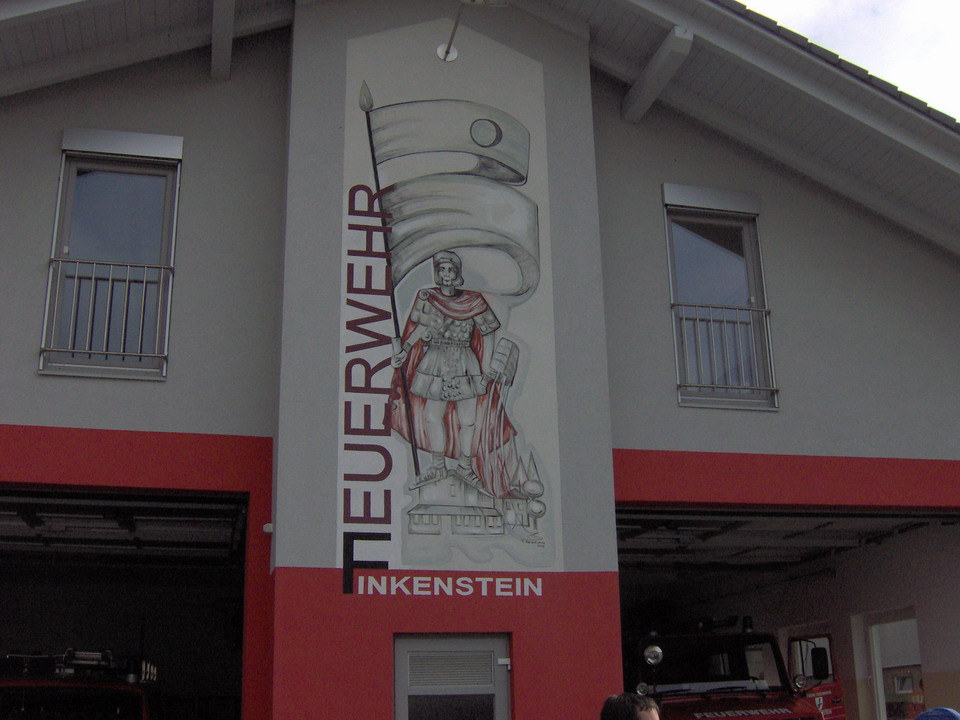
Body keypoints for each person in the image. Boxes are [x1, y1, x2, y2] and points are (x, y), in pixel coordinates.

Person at [390, 250, 501, 486]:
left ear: (457, 273)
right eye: (441, 269)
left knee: (468, 419)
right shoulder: (428, 297)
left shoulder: (473, 300)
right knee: (432, 416)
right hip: (436, 360)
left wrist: (487, 366)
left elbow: (488, 332)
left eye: (451, 270)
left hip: (465, 360)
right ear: (436, 273)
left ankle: (465, 467)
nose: (446, 274)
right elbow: (422, 328)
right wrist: (405, 350)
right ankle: (438, 467)